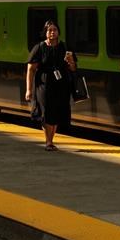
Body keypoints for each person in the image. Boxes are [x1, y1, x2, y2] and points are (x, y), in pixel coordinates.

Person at [25, 20, 76, 150]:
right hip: (44, 84)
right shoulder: (40, 48)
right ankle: (48, 142)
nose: (52, 32)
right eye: (49, 30)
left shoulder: (64, 47)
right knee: (47, 111)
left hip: (61, 84)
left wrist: (71, 63)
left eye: (54, 30)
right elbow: (31, 69)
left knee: (57, 111)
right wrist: (28, 90)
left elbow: (73, 68)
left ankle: (51, 139)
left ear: (58, 32)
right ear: (45, 33)